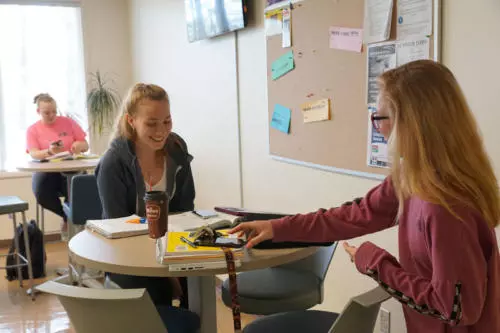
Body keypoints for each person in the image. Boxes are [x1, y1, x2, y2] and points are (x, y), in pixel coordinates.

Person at [231, 60, 500, 333]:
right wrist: (277, 228)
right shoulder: (412, 177)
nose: (378, 128)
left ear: (412, 123)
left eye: (380, 118)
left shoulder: (445, 204)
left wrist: (374, 262)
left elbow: (455, 308)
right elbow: (356, 215)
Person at [95, 83, 198, 333]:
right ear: (131, 120)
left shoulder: (177, 149)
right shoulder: (112, 164)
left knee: (195, 288)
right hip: (129, 258)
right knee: (161, 298)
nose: (161, 131)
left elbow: (185, 209)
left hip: (171, 249)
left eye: (167, 121)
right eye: (151, 123)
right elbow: (120, 230)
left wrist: (175, 264)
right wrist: (167, 273)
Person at [27, 93, 89, 236]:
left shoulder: (68, 122)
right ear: (38, 112)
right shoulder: (33, 130)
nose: (51, 115)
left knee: (80, 186)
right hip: (47, 172)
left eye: (54, 111)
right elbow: (33, 153)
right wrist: (49, 151)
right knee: (41, 192)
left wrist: (78, 145)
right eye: (47, 112)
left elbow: (85, 145)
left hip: (71, 168)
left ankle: (75, 225)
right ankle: (66, 216)